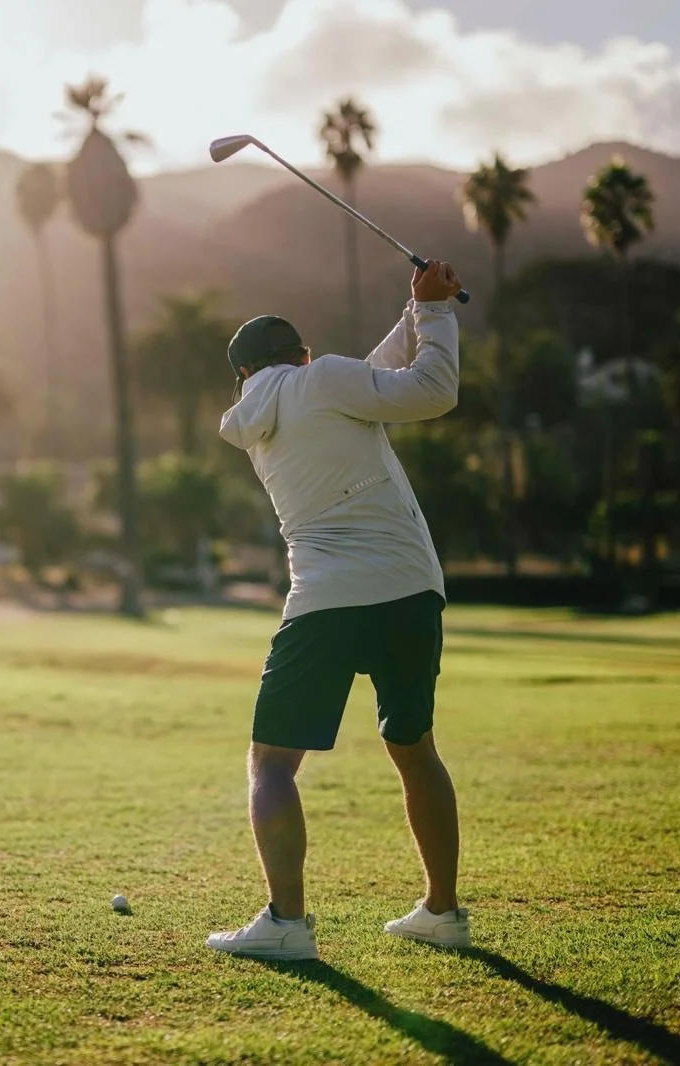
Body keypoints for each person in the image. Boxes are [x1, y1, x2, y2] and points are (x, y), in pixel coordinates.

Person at [205, 260, 469, 961]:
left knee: (272, 765)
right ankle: (442, 912)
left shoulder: (257, 418)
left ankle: (288, 925)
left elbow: (366, 375)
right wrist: (439, 314)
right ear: (303, 354)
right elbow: (430, 390)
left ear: (243, 377)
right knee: (415, 751)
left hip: (325, 600)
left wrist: (416, 306)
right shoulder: (325, 381)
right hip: (410, 589)